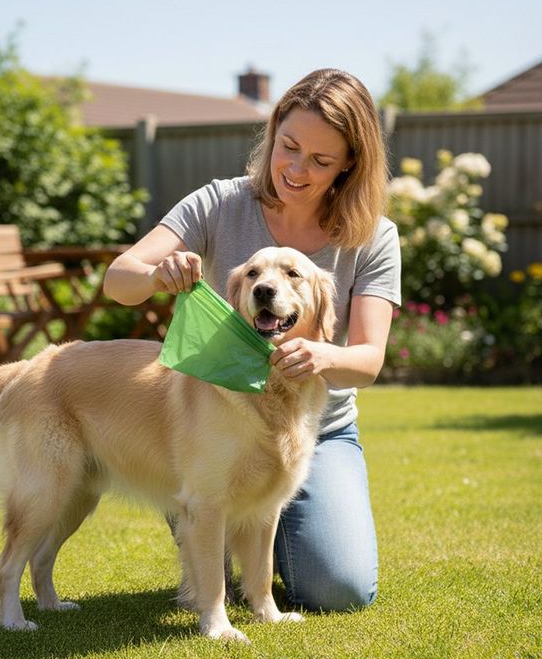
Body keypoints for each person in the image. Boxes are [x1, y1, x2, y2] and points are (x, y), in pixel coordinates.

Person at [103, 68, 401, 612]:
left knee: (340, 590)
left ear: (349, 165)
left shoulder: (374, 236)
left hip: (318, 430)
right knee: (211, 509)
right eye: (289, 147)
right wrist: (154, 276)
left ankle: (257, 552)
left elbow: (368, 359)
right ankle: (202, 507)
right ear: (273, 133)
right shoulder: (218, 203)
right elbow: (117, 279)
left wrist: (321, 354)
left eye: (320, 160)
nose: (296, 169)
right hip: (218, 417)